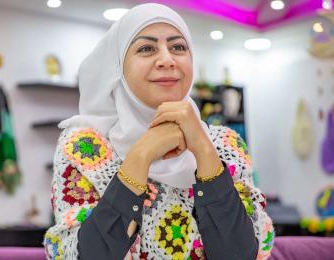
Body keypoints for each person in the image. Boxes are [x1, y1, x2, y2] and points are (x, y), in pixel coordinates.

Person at [44, 3, 274, 260]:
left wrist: (203, 148)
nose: (167, 59)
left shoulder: (227, 144)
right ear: (118, 66)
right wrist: (141, 154)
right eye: (146, 48)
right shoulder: (84, 147)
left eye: (178, 47)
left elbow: (242, 255)